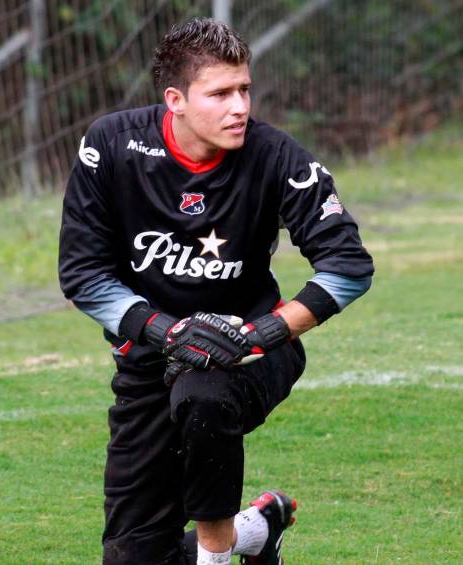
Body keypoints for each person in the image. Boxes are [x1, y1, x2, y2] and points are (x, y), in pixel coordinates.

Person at [58, 17, 373, 565]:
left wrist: (260, 333)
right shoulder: (111, 145)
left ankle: (215, 559)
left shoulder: (276, 155)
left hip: (253, 355)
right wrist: (167, 332)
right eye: (221, 93)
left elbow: (348, 266)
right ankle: (256, 530)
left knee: (203, 389)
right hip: (148, 361)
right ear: (175, 99)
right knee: (134, 556)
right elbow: (82, 273)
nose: (240, 107)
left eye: (245, 89)